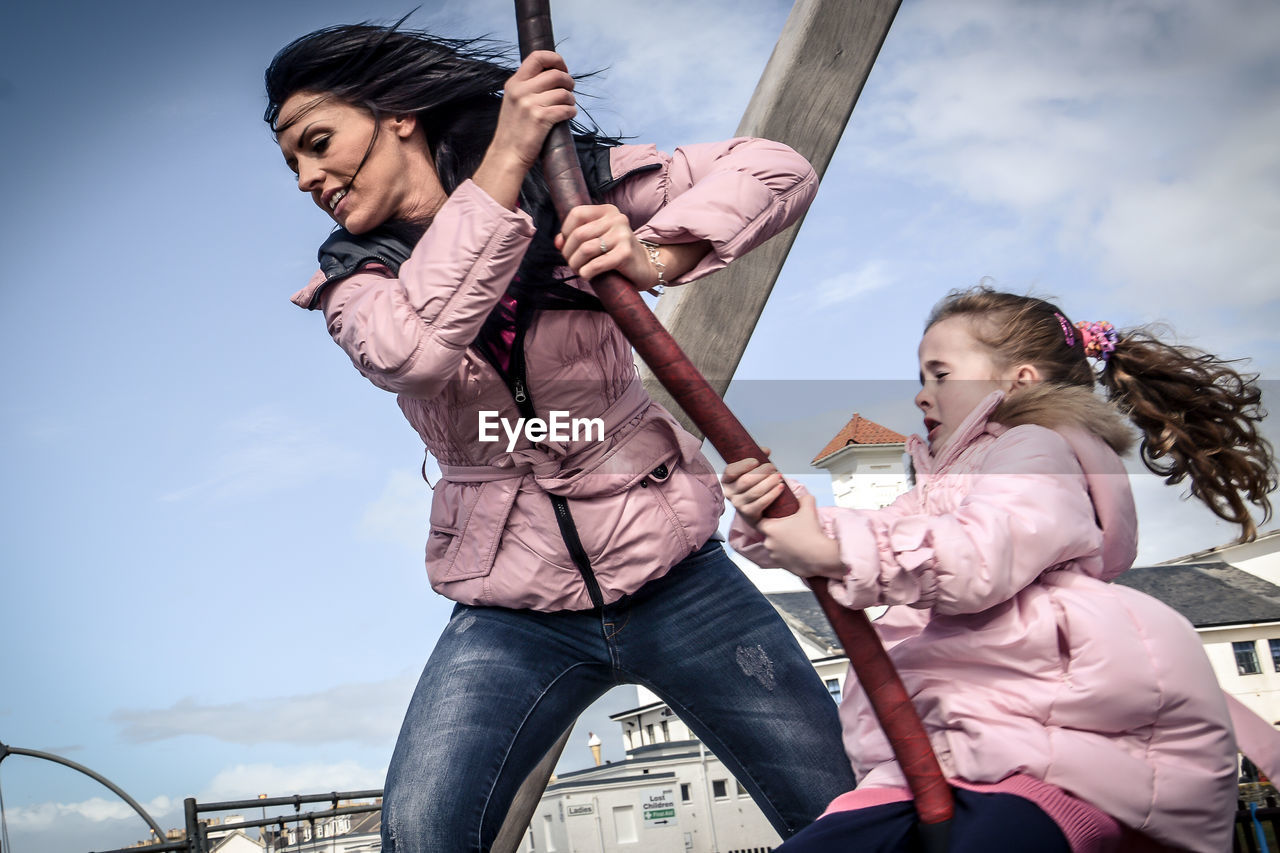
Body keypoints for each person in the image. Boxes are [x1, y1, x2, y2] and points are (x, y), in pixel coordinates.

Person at [263, 21, 857, 853]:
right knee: (423, 834)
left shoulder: (577, 188)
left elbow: (778, 167)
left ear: (398, 114)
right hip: (512, 611)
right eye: (292, 162)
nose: (305, 178)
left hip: (679, 579)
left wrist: (655, 250)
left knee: (847, 808)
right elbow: (415, 351)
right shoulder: (353, 280)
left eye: (317, 144)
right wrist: (505, 159)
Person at [723, 286, 1278, 852]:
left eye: (940, 375)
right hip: (939, 753)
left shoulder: (1039, 451)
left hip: (1041, 751)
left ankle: (1073, 818)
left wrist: (833, 554)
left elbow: (985, 550)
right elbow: (874, 530)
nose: (922, 396)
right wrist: (782, 510)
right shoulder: (941, 488)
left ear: (1019, 380)